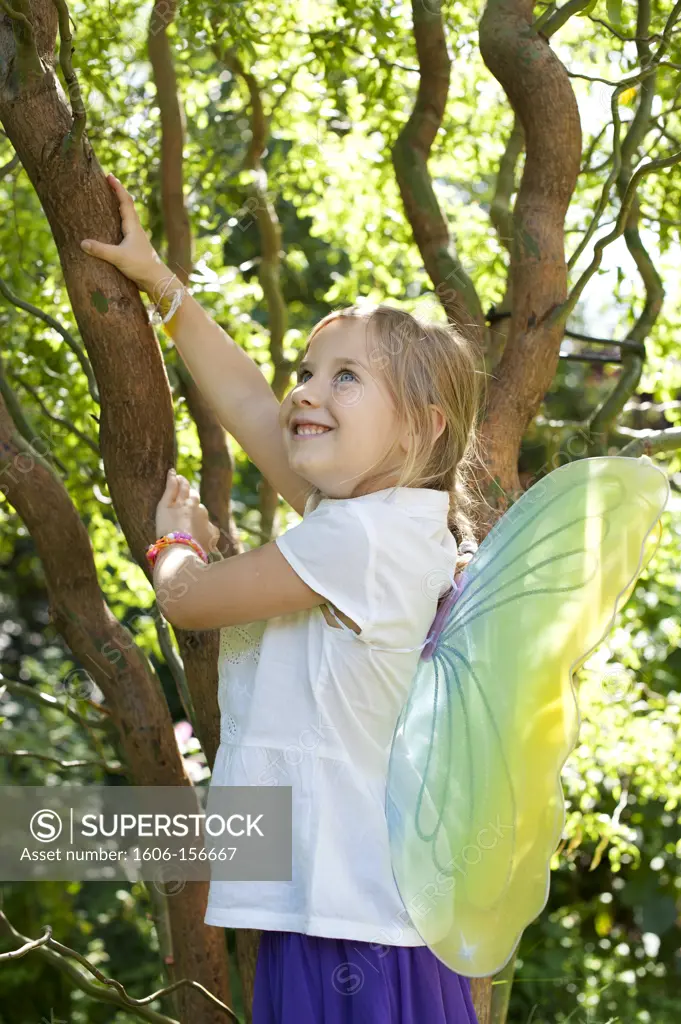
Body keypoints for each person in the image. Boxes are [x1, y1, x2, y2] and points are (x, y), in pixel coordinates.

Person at [81, 173, 483, 1024]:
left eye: (345, 378)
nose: (304, 389)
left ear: (422, 426)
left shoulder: (359, 540)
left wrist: (174, 543)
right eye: (306, 369)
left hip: (344, 922)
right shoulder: (386, 524)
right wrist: (164, 288)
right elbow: (248, 406)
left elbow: (190, 602)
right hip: (362, 906)